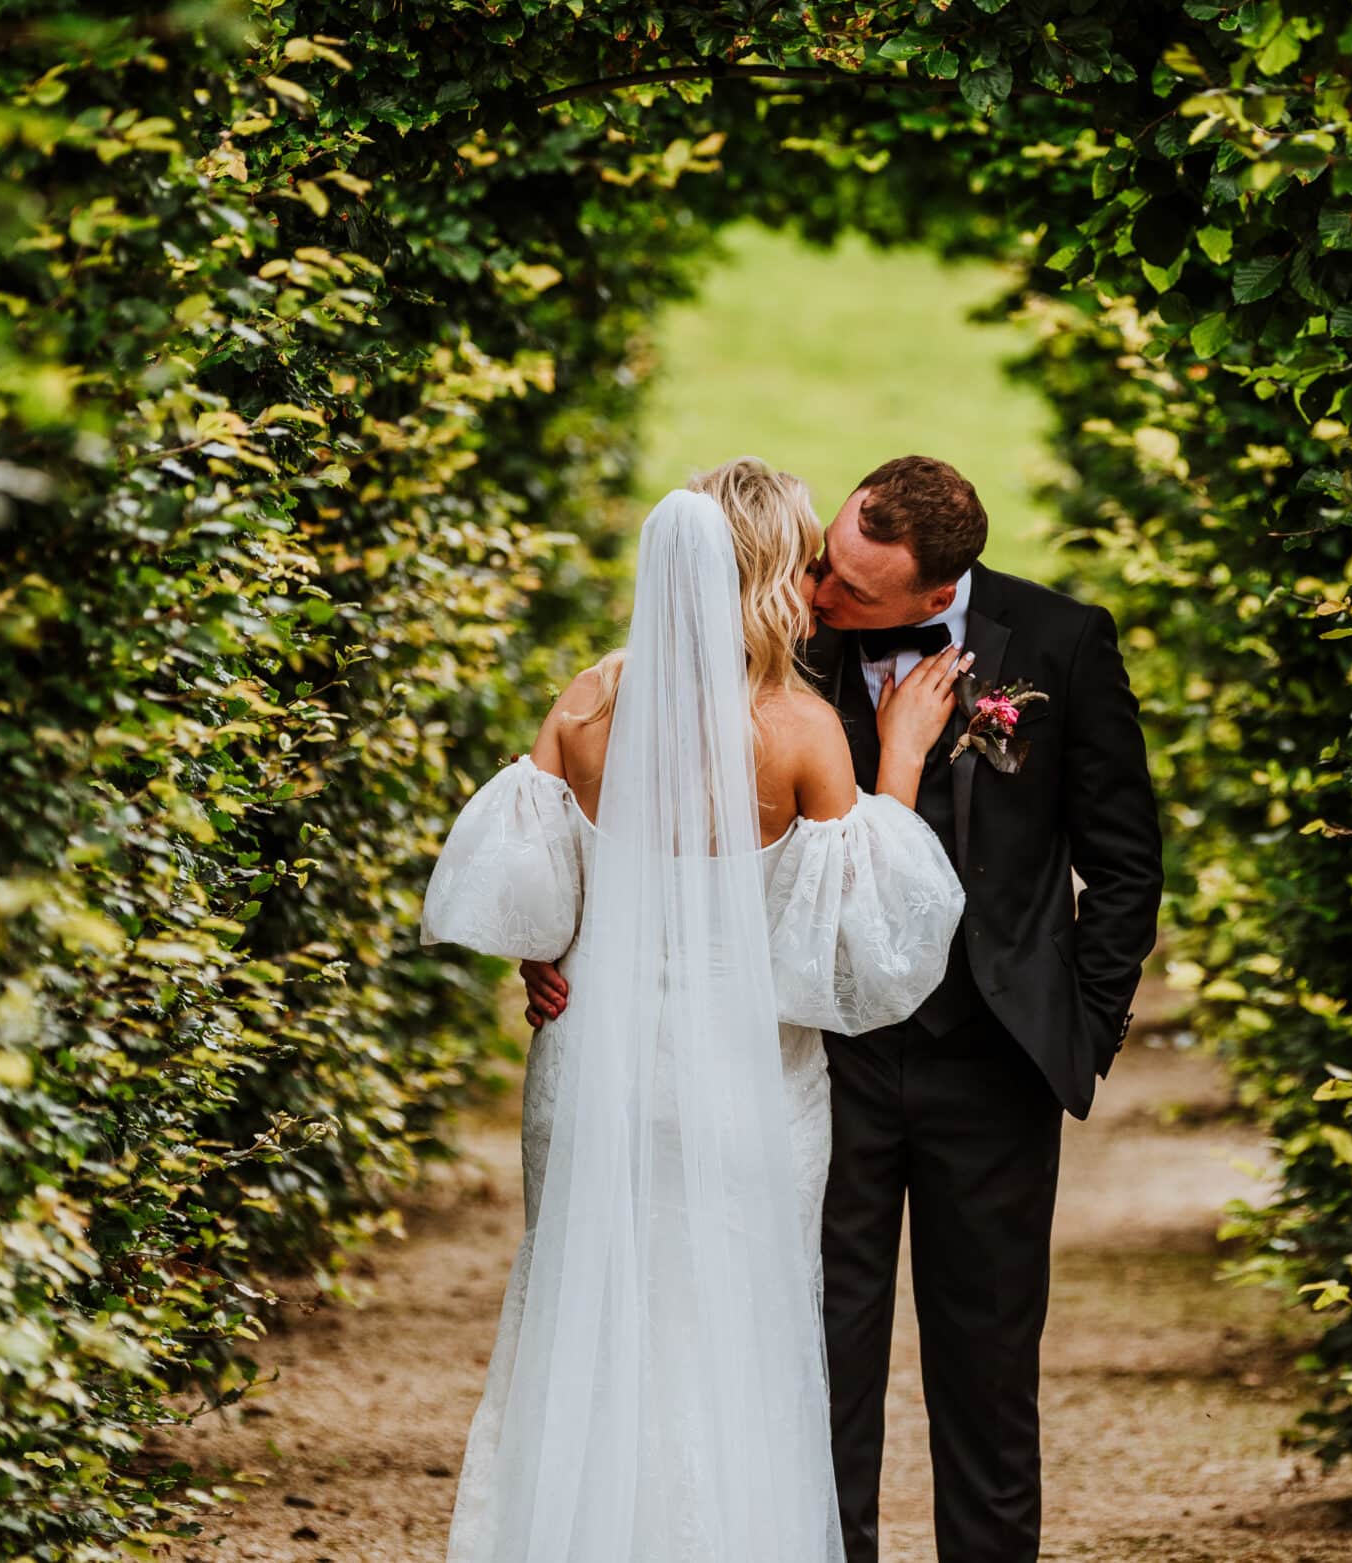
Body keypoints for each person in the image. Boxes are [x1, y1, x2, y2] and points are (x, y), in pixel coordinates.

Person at [418, 457, 966, 1563]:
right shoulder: (797, 728)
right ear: (765, 576)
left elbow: (530, 897)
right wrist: (898, 760)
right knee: (732, 1337)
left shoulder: (583, 705)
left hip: (592, 1066)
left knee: (581, 1316)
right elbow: (862, 931)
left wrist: (547, 962)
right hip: (743, 1081)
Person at [801, 455, 1162, 1563]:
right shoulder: (787, 635)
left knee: (990, 1371)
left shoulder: (1059, 641)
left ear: (936, 593)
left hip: (993, 1064)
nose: (822, 597)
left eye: (855, 594)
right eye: (824, 564)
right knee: (819, 1363)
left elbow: (1125, 861)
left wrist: (1078, 1030)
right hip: (827, 1054)